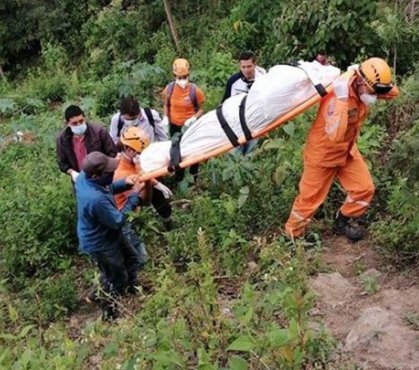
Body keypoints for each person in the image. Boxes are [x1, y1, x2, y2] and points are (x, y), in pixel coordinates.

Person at [285, 57, 399, 241]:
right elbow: (335, 134)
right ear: (361, 82)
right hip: (322, 155)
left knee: (364, 189)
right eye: (373, 91)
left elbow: (394, 93)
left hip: (346, 152)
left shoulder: (362, 87)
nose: (375, 96)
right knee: (309, 199)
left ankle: (342, 220)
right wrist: (342, 100)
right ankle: (292, 236)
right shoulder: (336, 98)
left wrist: (378, 85)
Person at [76, 151, 151, 320]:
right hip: (100, 242)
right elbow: (117, 220)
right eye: (109, 172)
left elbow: (108, 187)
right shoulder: (95, 199)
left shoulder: (84, 178)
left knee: (132, 259)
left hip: (109, 232)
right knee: (116, 277)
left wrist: (124, 183)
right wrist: (134, 197)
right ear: (97, 175)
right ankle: (109, 313)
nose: (112, 173)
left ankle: (133, 288)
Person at [114, 127, 173, 267]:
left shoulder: (132, 163)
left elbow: (141, 172)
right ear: (130, 150)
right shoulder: (122, 174)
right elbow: (141, 201)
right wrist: (147, 183)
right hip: (126, 219)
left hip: (132, 215)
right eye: (140, 153)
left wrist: (156, 183)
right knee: (139, 257)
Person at [162, 58, 205, 182]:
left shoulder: (194, 90)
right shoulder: (169, 89)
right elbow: (166, 104)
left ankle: (193, 177)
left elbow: (202, 108)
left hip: (191, 126)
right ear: (174, 76)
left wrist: (194, 117)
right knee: (177, 151)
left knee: (194, 151)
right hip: (175, 125)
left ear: (188, 75)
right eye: (179, 77)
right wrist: (165, 117)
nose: (182, 80)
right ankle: (179, 177)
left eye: (184, 77)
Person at [56, 105, 117, 185]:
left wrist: (105, 170)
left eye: (81, 121)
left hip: (102, 177)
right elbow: (62, 163)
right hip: (80, 180)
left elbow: (112, 152)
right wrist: (72, 173)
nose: (79, 125)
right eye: (74, 123)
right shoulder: (62, 140)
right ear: (67, 123)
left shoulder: (98, 132)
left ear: (85, 118)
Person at [221, 51, 266, 155]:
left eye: (249, 66)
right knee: (235, 154)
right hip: (236, 122)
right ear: (239, 66)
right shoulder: (233, 81)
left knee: (251, 154)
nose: (246, 70)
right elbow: (225, 103)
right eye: (243, 67)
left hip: (256, 122)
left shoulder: (263, 79)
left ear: (255, 64)